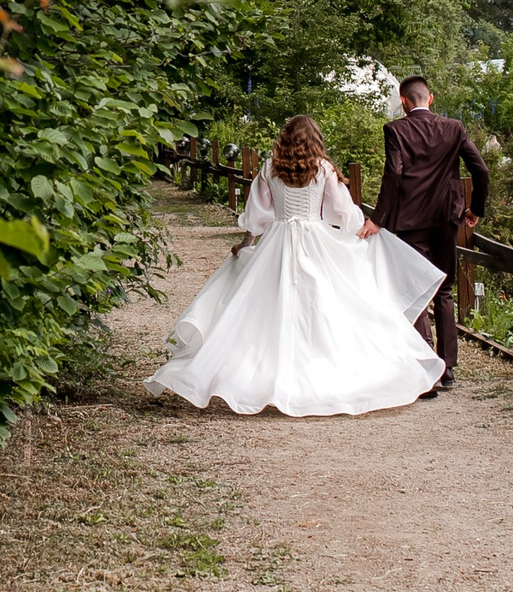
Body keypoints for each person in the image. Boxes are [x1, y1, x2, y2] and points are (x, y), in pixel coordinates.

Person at [146, 115, 446, 416]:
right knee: (323, 302)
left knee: (269, 305)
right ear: (315, 138)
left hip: (278, 238)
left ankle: (264, 368)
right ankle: (319, 363)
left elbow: (256, 215)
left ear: (284, 137)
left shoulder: (270, 167)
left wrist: (246, 243)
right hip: (315, 238)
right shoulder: (323, 168)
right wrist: (356, 228)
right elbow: (340, 210)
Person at [359, 74, 488, 392]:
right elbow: (481, 170)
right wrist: (475, 209)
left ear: (403, 101)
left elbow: (394, 174)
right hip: (447, 218)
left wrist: (378, 218)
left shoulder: (395, 129)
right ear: (430, 98)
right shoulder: (454, 128)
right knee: (443, 290)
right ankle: (447, 368)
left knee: (416, 292)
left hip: (409, 222)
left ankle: (424, 368)